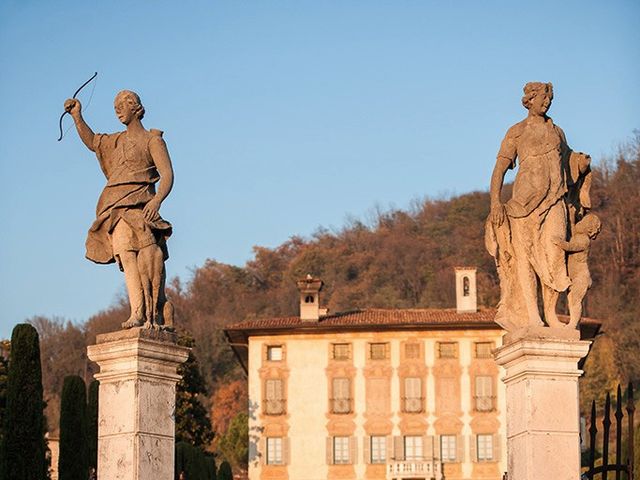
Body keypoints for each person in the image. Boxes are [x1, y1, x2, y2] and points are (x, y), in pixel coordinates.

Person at [64, 90, 174, 329]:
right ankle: (136, 312)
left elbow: (167, 175)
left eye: (122, 105)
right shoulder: (116, 141)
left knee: (149, 262)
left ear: (136, 107)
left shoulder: (152, 141)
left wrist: (157, 202)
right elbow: (93, 142)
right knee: (125, 255)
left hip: (141, 208)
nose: (117, 110)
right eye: (115, 107)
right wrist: (77, 116)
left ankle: (157, 309)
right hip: (117, 209)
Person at [486, 82, 591, 330]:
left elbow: (568, 163)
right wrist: (495, 203)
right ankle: (533, 315)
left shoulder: (558, 132)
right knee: (525, 258)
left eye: (549, 99)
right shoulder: (517, 132)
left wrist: (581, 163)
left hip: (555, 198)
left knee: (554, 253)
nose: (547, 103)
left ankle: (551, 313)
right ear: (529, 100)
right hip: (523, 202)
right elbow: (499, 169)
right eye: (543, 98)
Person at [553, 213, 601, 328]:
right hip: (576, 276)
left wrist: (559, 242)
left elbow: (571, 247)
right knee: (572, 300)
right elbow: (572, 226)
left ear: (588, 227)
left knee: (575, 301)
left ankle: (573, 324)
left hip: (581, 276)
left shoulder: (584, 240)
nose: (581, 223)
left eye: (584, 222)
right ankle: (573, 323)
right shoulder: (578, 235)